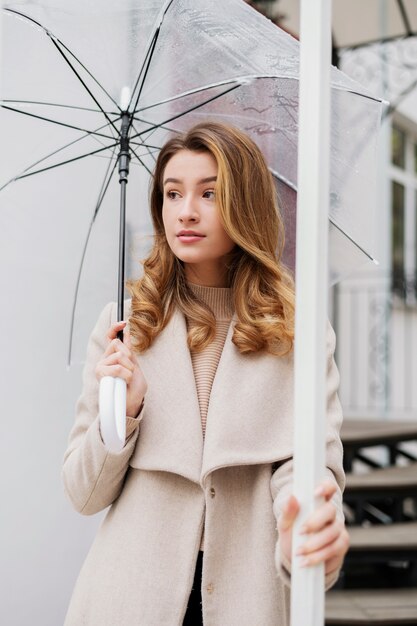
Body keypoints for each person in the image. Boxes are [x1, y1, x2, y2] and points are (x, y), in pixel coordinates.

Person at [62, 122, 349, 626]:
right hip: (127, 600)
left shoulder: (300, 332)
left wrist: (300, 523)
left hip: (249, 598)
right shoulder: (124, 328)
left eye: (209, 193)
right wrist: (121, 414)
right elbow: (83, 494)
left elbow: (307, 468)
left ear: (245, 205)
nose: (186, 211)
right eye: (173, 194)